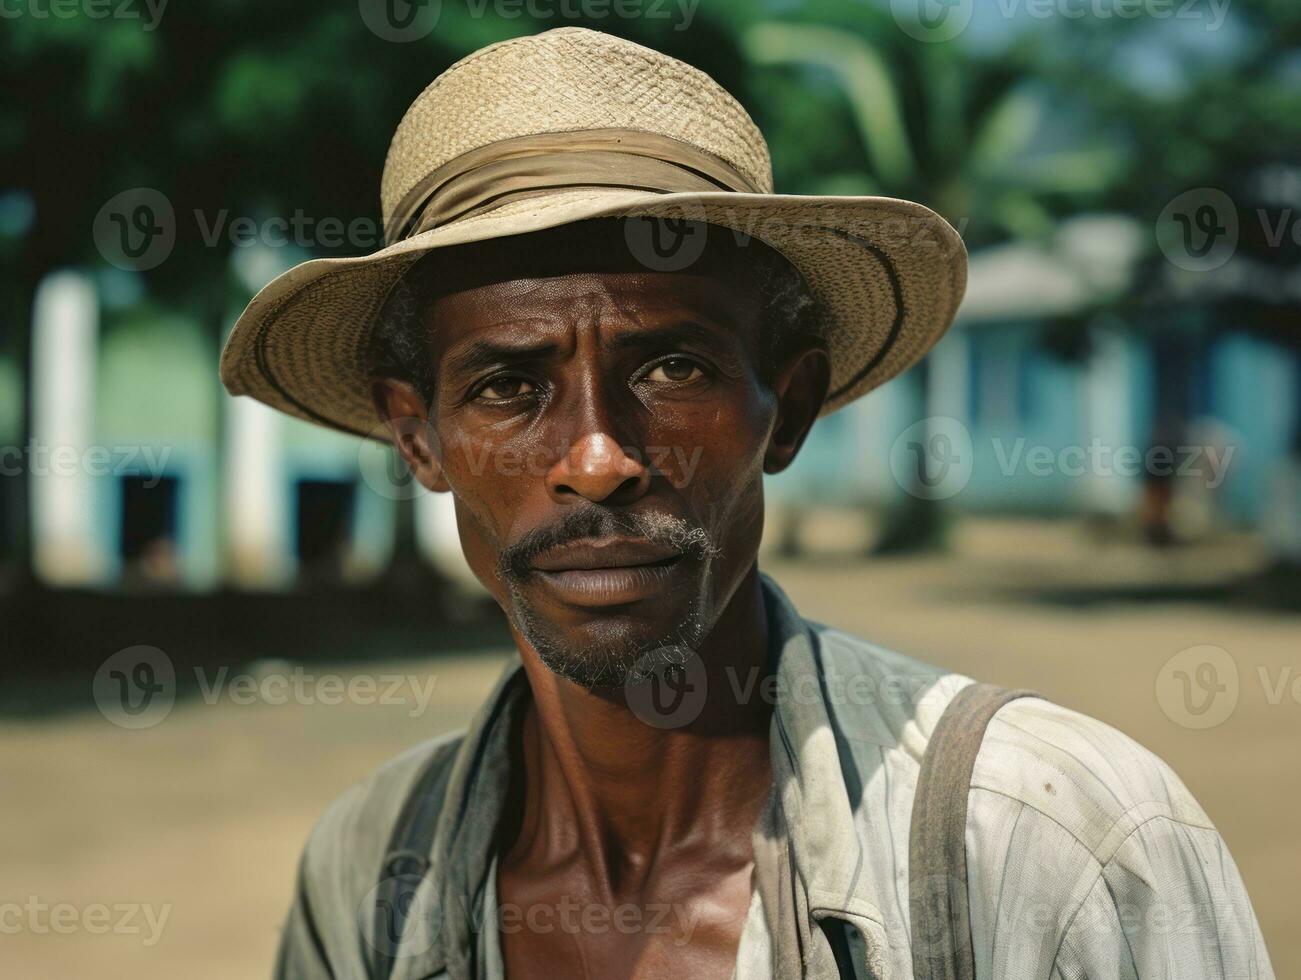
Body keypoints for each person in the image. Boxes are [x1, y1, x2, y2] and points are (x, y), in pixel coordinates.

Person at [220, 27, 1274, 980]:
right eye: (507, 386)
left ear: (789, 407)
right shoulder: (369, 879)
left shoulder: (1048, 840)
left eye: (671, 367)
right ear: (419, 438)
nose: (595, 460)